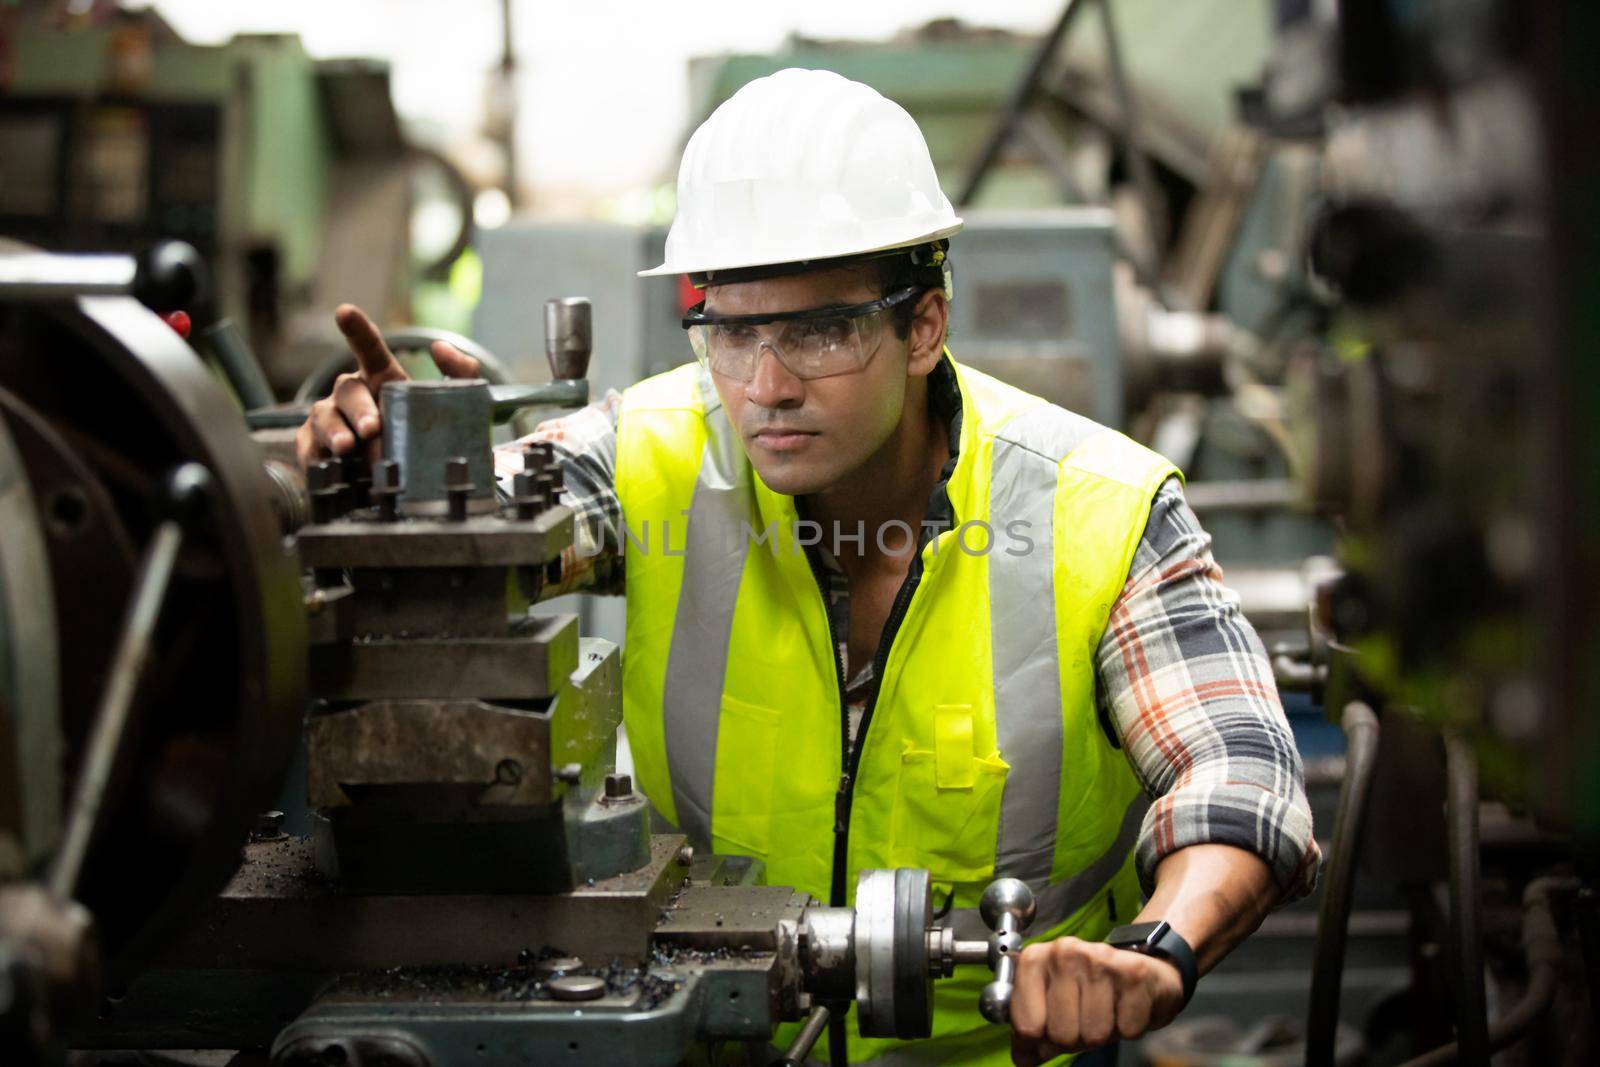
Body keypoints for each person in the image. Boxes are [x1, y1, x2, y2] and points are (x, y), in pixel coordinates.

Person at [297, 69, 1318, 1066]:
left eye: (820, 330)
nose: (766, 387)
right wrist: (404, 468)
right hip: (719, 1035)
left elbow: (1242, 777)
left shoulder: (1098, 507)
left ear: (923, 323)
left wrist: (1149, 951)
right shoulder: (655, 453)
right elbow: (517, 503)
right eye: (732, 332)